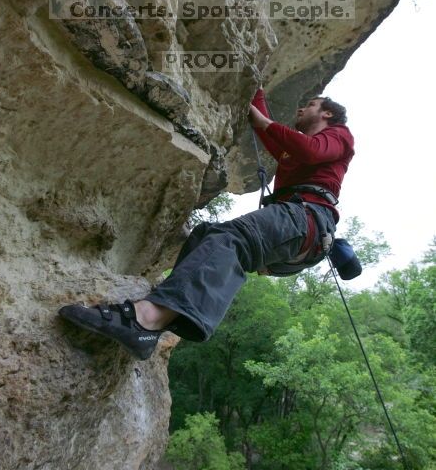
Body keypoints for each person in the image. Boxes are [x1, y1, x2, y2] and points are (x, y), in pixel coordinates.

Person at [59, 89, 355, 360]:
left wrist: (265, 122)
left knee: (231, 238)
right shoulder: (295, 153)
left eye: (311, 105)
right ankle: (153, 326)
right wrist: (256, 90)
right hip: (298, 229)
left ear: (327, 113)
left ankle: (144, 318)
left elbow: (310, 150)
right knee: (206, 235)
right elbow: (271, 136)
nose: (302, 108)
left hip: (308, 218)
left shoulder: (341, 136)